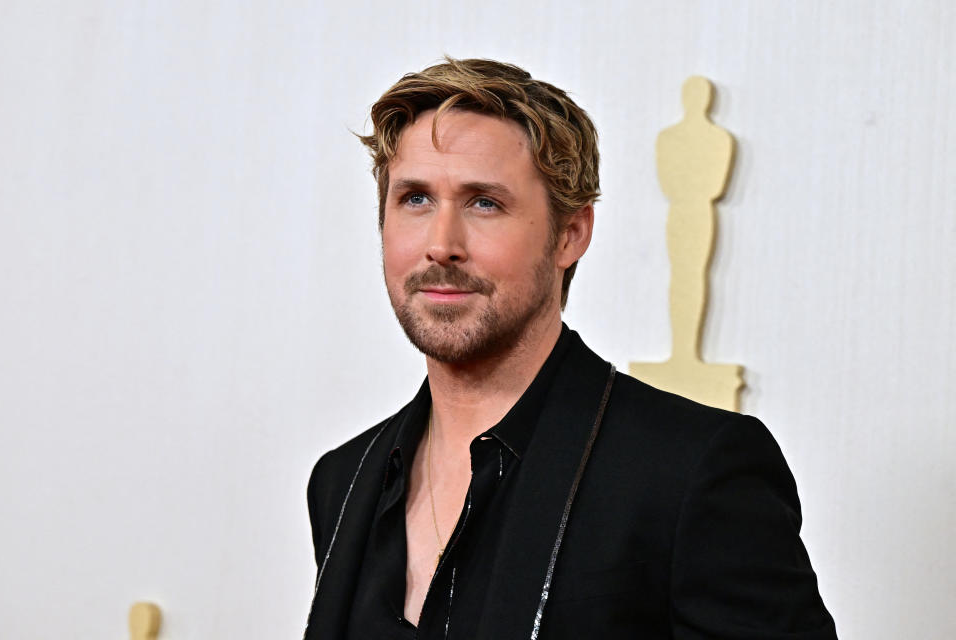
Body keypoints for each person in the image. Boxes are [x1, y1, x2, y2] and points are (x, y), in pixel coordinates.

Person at [303, 57, 837, 639]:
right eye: (415, 199)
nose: (441, 245)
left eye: (484, 202)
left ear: (570, 235)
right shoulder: (343, 479)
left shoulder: (691, 472)